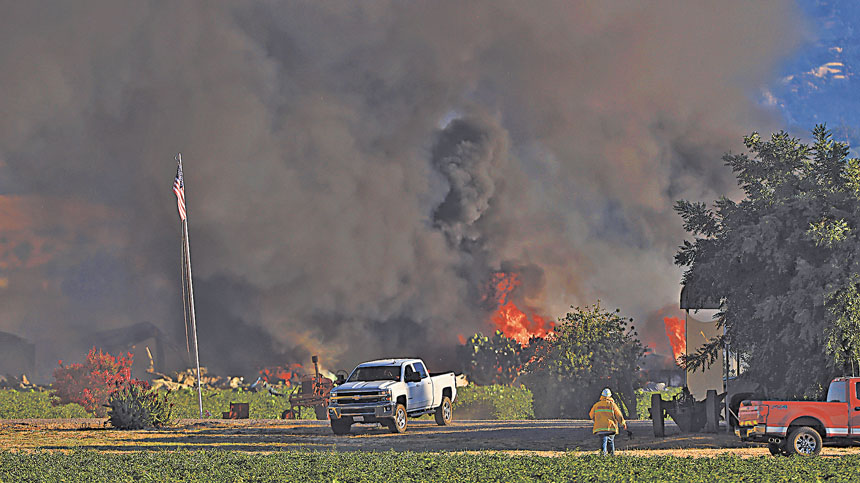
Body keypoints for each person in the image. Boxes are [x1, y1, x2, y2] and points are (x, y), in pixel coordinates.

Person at [589, 388, 627, 455]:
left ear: (602, 396)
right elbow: (619, 415)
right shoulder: (612, 405)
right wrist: (623, 423)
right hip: (610, 428)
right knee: (611, 442)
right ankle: (611, 457)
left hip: (600, 428)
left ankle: (603, 457)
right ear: (610, 396)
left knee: (603, 442)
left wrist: (597, 420)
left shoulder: (596, 405)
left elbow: (591, 415)